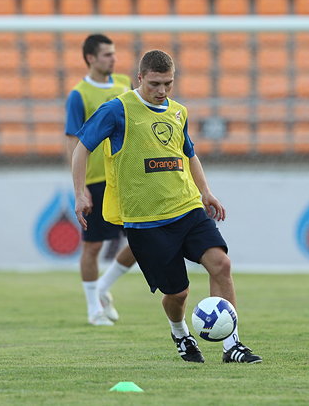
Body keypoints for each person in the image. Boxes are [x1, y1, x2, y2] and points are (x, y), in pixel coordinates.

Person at [71, 50, 262, 364]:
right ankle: (180, 332)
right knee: (178, 294)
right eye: (155, 84)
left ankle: (233, 345)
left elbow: (189, 153)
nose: (161, 91)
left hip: (187, 208)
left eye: (168, 84)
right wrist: (80, 193)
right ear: (140, 78)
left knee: (221, 265)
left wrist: (206, 192)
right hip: (146, 221)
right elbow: (82, 148)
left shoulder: (178, 111)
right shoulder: (117, 111)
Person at [64, 34, 137, 326]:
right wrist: (79, 188)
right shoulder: (79, 94)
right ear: (91, 58)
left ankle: (103, 288)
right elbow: (73, 142)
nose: (113, 59)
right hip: (97, 179)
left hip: (127, 177)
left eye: (114, 53)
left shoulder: (124, 84)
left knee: (143, 241)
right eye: (107, 54)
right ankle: (93, 307)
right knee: (93, 246)